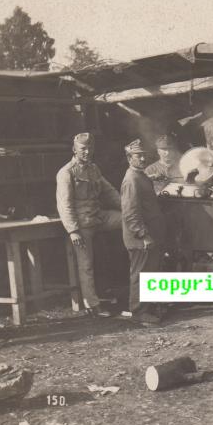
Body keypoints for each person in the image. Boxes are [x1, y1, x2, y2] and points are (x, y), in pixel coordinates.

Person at [56, 132, 122, 318]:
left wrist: (129, 209)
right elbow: (64, 204)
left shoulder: (94, 169)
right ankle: (93, 304)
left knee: (129, 221)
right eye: (83, 149)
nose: (87, 152)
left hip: (98, 217)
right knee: (86, 264)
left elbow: (109, 192)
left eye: (90, 148)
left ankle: (124, 288)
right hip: (82, 224)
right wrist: (73, 230)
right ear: (74, 150)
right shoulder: (66, 173)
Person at [121, 139, 166, 324]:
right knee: (140, 274)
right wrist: (143, 235)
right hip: (140, 237)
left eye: (143, 155)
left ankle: (148, 308)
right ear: (129, 158)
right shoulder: (131, 180)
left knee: (150, 271)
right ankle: (138, 312)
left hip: (149, 234)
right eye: (137, 155)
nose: (142, 158)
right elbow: (130, 213)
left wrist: (153, 179)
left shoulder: (140, 175)